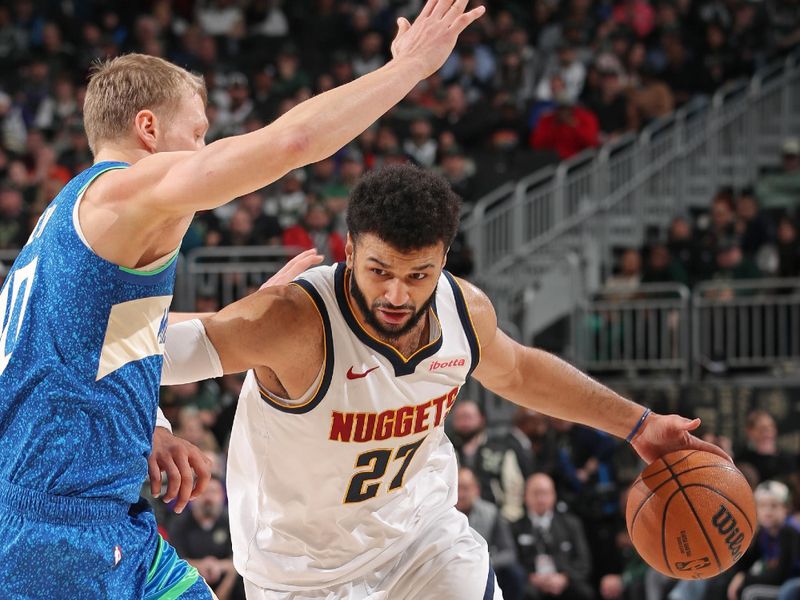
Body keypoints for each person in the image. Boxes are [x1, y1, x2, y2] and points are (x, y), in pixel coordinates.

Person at [0, 0, 485, 596]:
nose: (207, 151)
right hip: (55, 531)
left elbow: (88, 343)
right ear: (148, 130)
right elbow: (293, 142)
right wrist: (409, 68)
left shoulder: (67, 225)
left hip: (97, 516)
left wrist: (147, 423)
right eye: (200, 134)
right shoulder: (121, 195)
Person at [163, 163, 728, 599]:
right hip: (299, 567)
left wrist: (639, 424)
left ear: (443, 259)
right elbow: (137, 349)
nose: (396, 295)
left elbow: (520, 370)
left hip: (418, 537)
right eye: (379, 271)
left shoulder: (465, 311)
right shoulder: (290, 320)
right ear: (350, 250)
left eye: (418, 275)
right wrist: (157, 425)